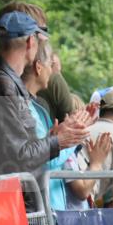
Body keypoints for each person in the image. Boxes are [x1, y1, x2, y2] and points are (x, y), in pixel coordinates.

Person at [0, 11, 88, 207]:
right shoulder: (2, 85)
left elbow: (14, 145)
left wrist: (52, 138)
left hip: (13, 199)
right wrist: (59, 141)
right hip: (13, 203)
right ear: (30, 42)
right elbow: (19, 155)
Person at [20, 36, 84, 210]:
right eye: (50, 65)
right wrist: (73, 138)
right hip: (43, 207)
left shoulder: (37, 107)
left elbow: (47, 147)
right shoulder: (25, 108)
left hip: (51, 205)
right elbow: (44, 161)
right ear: (38, 67)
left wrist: (67, 130)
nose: (52, 71)